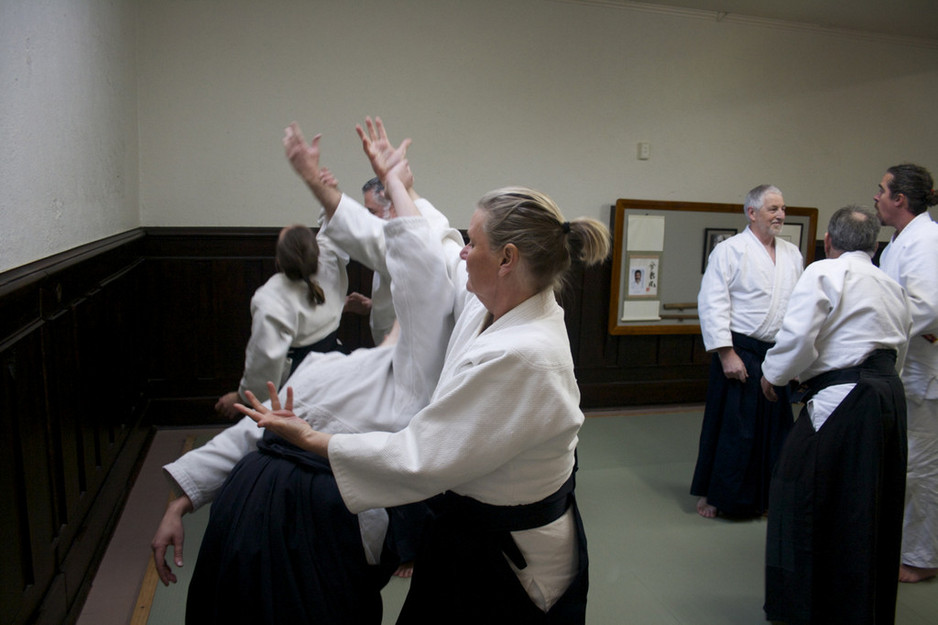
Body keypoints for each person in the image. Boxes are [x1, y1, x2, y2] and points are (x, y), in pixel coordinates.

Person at [239, 117, 610, 624]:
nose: (463, 250)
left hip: (512, 555)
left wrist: (312, 440)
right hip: (470, 527)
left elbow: (420, 457)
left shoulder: (526, 353)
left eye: (473, 242)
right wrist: (397, 182)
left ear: (507, 258)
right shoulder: (494, 302)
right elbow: (436, 244)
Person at [151, 122, 462, 624]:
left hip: (315, 535)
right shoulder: (330, 365)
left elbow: (421, 274)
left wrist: (388, 185)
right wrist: (180, 502)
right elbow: (251, 436)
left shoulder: (417, 376)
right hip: (239, 525)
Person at [760, 205, 911, 625]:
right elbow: (900, 350)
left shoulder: (826, 271)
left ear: (829, 241)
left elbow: (799, 336)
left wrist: (773, 376)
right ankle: (860, 609)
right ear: (873, 243)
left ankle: (806, 608)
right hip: (887, 397)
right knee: (868, 504)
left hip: (843, 396)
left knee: (799, 492)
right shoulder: (890, 283)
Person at [691, 184, 803, 518]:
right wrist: (726, 353)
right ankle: (719, 496)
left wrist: (794, 358)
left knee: (775, 431)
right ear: (751, 213)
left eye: (782, 208)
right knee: (734, 430)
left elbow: (798, 307)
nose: (780, 215)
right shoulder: (730, 251)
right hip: (740, 350)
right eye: (772, 209)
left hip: (776, 353)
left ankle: (768, 497)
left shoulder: (792, 254)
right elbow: (712, 302)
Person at [874, 163, 938, 583]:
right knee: (905, 465)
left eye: (882, 190)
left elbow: (927, 307)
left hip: (922, 372)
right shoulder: (901, 240)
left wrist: (876, 333)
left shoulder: (927, 240)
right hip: (904, 366)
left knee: (920, 468)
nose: (876, 196)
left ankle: (921, 558)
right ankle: (906, 546)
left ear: (900, 199)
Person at [214, 224, 348, 419]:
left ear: (278, 260)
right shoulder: (330, 265)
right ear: (316, 253)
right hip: (339, 371)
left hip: (300, 383)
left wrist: (242, 397)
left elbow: (265, 361)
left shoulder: (271, 299)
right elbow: (333, 226)